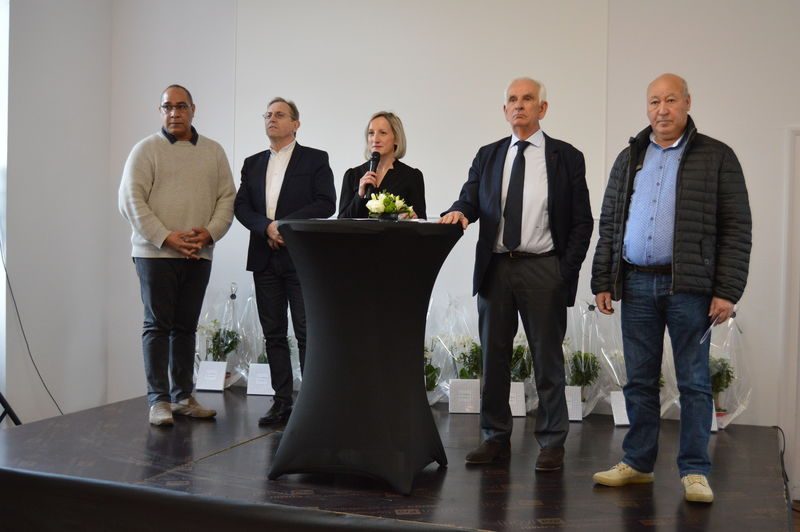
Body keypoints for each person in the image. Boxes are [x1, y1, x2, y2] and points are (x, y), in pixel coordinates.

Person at [591, 73, 752, 503]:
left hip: (691, 289)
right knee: (640, 380)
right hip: (637, 282)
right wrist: (603, 278)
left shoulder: (717, 156)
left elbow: (737, 228)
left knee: (695, 382)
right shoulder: (630, 157)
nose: (661, 109)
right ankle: (638, 463)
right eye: (654, 101)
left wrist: (727, 290)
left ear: (687, 103)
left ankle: (695, 471)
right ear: (647, 108)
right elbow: (609, 223)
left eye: (670, 100)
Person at [440, 77, 593, 471]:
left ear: (543, 109)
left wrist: (564, 270)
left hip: (544, 267)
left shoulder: (566, 157)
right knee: (493, 360)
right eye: (512, 99)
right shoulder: (489, 155)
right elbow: (469, 197)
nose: (519, 105)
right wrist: (458, 212)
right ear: (504, 110)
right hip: (496, 268)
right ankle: (494, 439)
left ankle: (552, 443)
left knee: (547, 359)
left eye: (528, 99)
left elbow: (582, 221)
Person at [119, 84, 236, 427]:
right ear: (160, 112)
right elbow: (130, 201)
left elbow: (227, 198)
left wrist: (210, 233)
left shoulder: (213, 152)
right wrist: (166, 237)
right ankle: (159, 401)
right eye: (167, 107)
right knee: (157, 325)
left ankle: (183, 396)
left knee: (185, 327)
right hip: (154, 254)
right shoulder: (145, 151)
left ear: (193, 110)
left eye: (180, 106)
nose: (174, 113)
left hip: (198, 253)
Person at [234, 97, 336, 426]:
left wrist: (284, 226)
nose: (271, 119)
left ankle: (311, 404)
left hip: (301, 258)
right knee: (273, 334)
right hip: (264, 256)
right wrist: (266, 227)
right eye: (267, 114)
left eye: (279, 115)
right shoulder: (251, 163)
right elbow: (241, 207)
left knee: (307, 332)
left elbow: (326, 203)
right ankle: (282, 402)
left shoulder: (315, 159)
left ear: (296, 123)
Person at [338, 111, 426, 219]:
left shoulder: (412, 176)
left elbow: (421, 222)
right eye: (371, 133)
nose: (375, 139)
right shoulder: (353, 175)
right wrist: (360, 195)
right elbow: (342, 221)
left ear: (397, 138)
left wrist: (411, 217)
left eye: (383, 133)